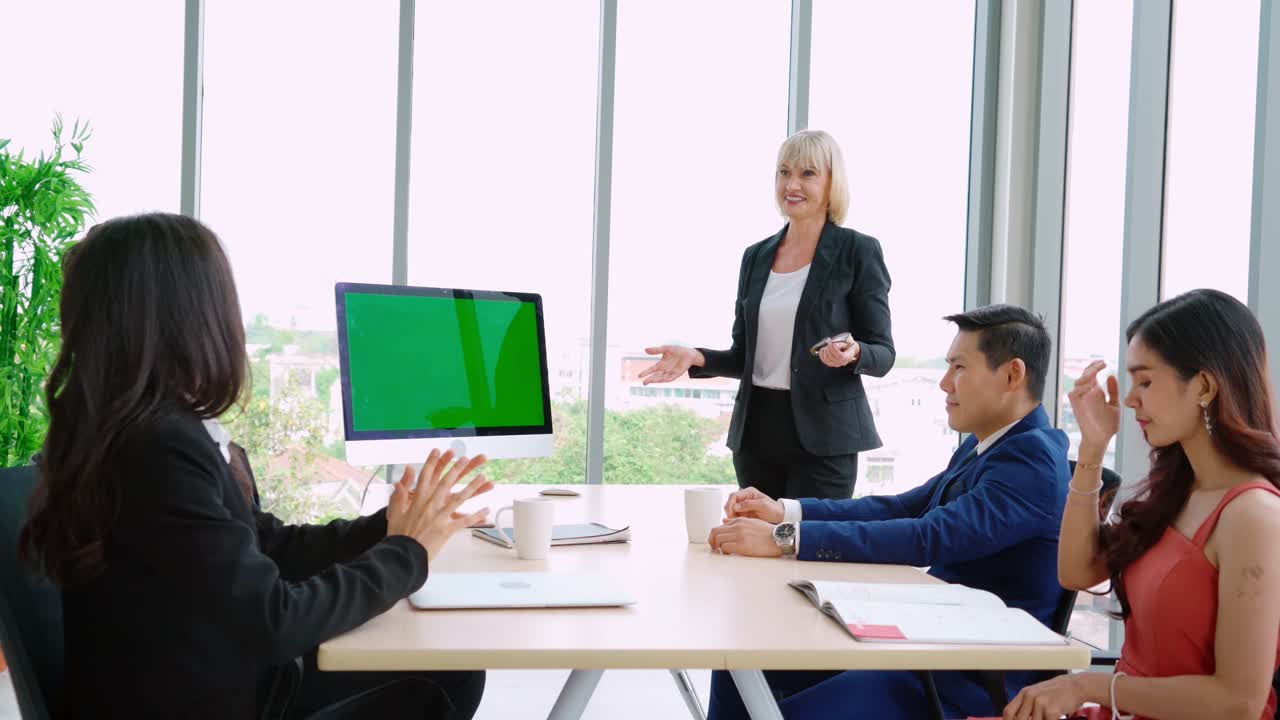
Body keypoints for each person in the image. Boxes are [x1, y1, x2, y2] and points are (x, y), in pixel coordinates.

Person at [18, 213, 491, 719]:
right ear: (192, 315)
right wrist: (406, 554)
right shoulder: (157, 448)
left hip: (198, 682)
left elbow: (267, 545)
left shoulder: (142, 431)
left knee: (450, 665)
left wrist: (392, 528)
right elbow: (272, 622)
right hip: (213, 700)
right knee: (446, 672)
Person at [704, 304, 1070, 719]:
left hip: (968, 671)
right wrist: (784, 511)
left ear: (1012, 375)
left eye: (959, 368)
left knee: (772, 693)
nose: (945, 383)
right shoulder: (991, 444)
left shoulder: (1031, 459)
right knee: (738, 661)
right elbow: (901, 507)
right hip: (930, 642)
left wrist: (782, 541)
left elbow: (927, 537)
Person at [1001, 289, 1280, 720]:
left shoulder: (1253, 514)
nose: (1131, 399)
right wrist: (1093, 448)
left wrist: (1086, 685)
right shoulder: (1178, 495)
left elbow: (1238, 702)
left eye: (1146, 381)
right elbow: (1076, 571)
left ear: (1204, 386)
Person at [640, 129, 894, 500]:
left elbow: (883, 354)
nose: (792, 183)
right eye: (784, 172)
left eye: (808, 173)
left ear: (831, 182)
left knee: (807, 549)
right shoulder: (756, 256)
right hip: (757, 435)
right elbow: (745, 356)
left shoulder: (858, 251)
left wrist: (854, 353)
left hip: (824, 439)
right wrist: (696, 358)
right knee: (755, 547)